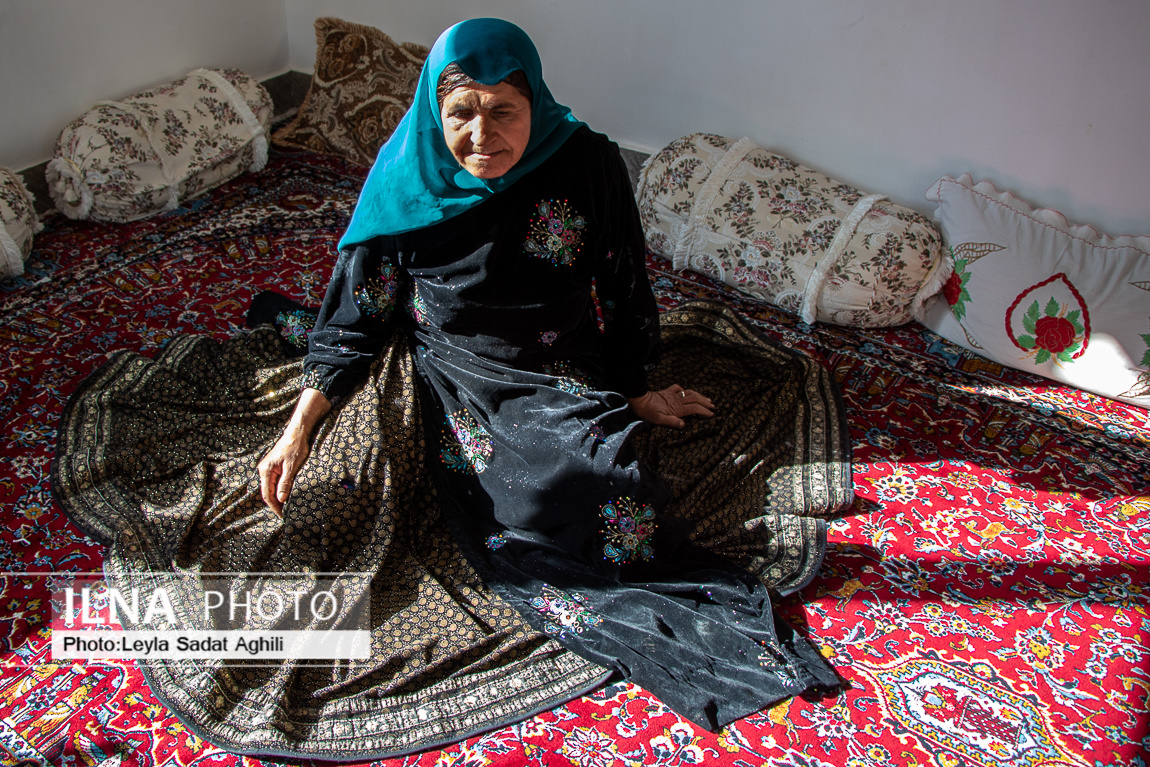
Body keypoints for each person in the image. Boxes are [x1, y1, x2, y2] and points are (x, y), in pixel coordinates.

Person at [256, 18, 840, 731]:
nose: (481, 135)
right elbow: (359, 314)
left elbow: (623, 283)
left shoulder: (586, 163)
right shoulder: (405, 177)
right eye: (461, 113)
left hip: (561, 362)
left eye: (503, 111)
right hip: (456, 371)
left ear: (534, 101)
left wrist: (635, 388)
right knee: (414, 502)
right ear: (434, 111)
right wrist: (299, 428)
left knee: (612, 479)